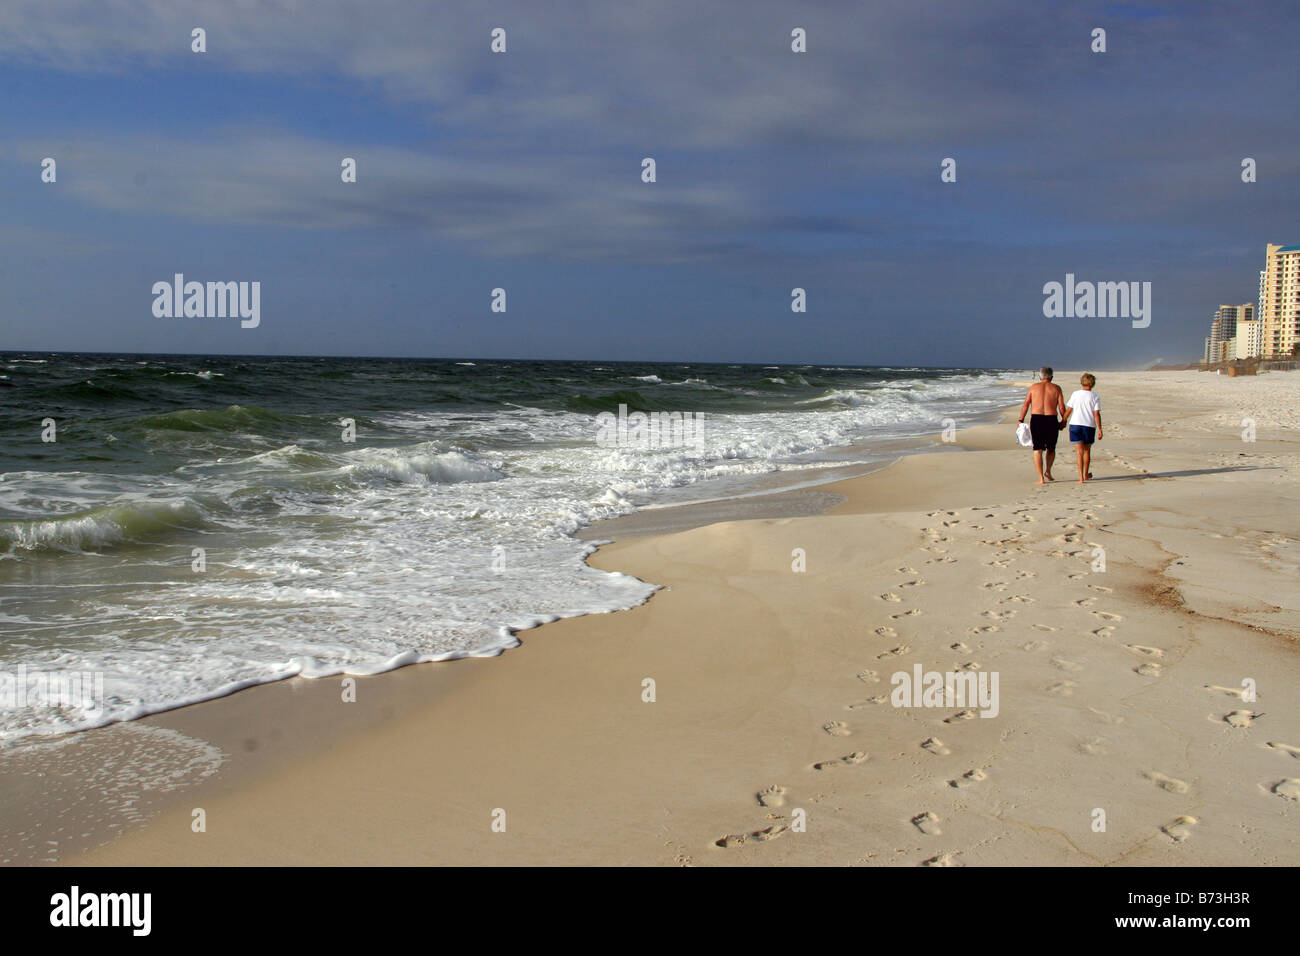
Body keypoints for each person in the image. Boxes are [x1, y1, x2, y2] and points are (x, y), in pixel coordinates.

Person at [1017, 367, 1065, 484]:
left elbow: (1026, 404)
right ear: (1051, 377)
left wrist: (1021, 419)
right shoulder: (1056, 388)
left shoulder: (1033, 388)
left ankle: (1041, 478)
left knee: (1037, 449)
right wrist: (1064, 420)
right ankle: (1048, 471)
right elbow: (1061, 407)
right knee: (1051, 448)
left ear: (1040, 377)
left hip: (1037, 419)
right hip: (1051, 419)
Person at [1063, 373, 1103, 483]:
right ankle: (1085, 474)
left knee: (1079, 452)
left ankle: (1081, 477)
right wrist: (1100, 429)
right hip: (1089, 425)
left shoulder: (1075, 394)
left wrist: (1063, 421)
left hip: (1075, 424)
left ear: (1081, 382)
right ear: (1093, 384)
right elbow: (1096, 414)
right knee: (1087, 451)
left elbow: (1069, 410)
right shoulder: (1095, 396)